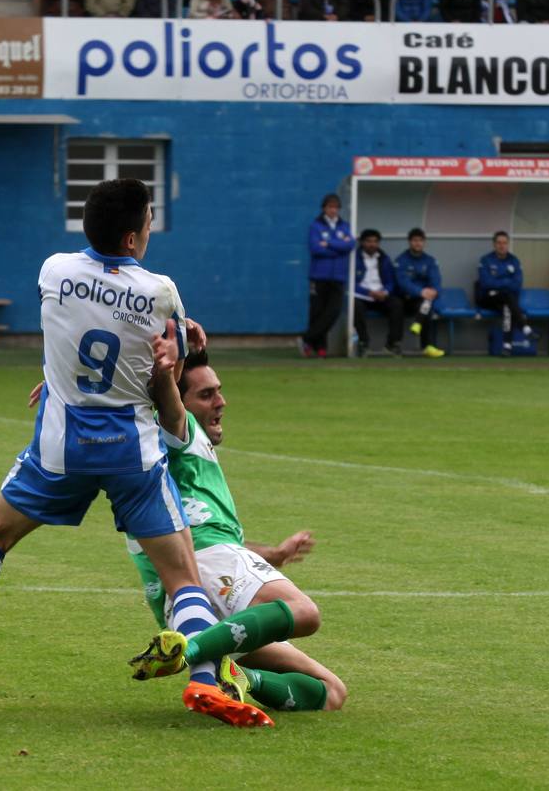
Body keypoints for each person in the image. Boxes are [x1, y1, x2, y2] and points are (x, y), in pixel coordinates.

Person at [0, 178, 275, 729]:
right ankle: (205, 681)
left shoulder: (53, 269)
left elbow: (71, 331)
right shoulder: (160, 289)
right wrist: (183, 334)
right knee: (182, 579)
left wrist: (57, 379)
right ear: (133, 236)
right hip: (131, 455)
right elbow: (174, 353)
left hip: (59, 448)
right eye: (147, 222)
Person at [128, 347, 345, 714]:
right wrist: (171, 356)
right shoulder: (178, 429)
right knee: (304, 612)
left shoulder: (175, 455)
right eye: (206, 394)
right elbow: (163, 393)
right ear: (179, 403)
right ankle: (187, 654)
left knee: (331, 692)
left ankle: (236, 676)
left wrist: (273, 554)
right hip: (202, 561)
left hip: (184, 595)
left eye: (219, 390)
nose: (220, 402)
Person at [302, 193, 354, 358]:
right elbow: (316, 248)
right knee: (317, 311)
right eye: (329, 207)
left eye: (335, 207)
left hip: (338, 276)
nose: (333, 210)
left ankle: (307, 338)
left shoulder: (344, 226)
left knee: (333, 311)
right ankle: (319, 347)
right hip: (319, 276)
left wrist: (329, 243)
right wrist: (339, 247)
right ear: (324, 208)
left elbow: (350, 244)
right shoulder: (316, 226)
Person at [477, 231, 535, 355]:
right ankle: (524, 327)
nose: (501, 246)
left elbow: (517, 284)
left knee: (507, 307)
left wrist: (498, 283)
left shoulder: (514, 260)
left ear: (508, 244)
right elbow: (485, 283)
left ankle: (507, 346)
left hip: (506, 299)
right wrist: (506, 282)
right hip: (488, 298)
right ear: (494, 244)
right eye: (498, 243)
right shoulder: (486, 260)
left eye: (504, 243)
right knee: (508, 298)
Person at [394, 228, 446, 358]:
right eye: (415, 240)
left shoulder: (430, 260)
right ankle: (426, 343)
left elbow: (436, 280)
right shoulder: (401, 260)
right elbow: (403, 282)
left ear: (424, 242)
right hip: (405, 298)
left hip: (423, 300)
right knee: (426, 303)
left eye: (421, 241)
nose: (418, 243)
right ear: (409, 242)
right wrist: (420, 291)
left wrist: (434, 291)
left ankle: (423, 335)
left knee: (428, 302)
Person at [353, 229, 403, 356]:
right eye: (369, 241)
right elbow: (350, 283)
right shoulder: (353, 258)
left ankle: (392, 344)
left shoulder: (384, 259)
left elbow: (391, 281)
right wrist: (368, 292)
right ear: (362, 242)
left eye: (375, 241)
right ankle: (363, 343)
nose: (372, 244)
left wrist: (385, 292)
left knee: (397, 304)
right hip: (362, 296)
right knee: (355, 306)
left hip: (381, 296)